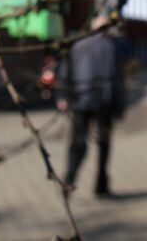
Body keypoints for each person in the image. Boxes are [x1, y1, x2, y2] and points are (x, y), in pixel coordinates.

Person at [57, 15, 126, 197]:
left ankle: (70, 181)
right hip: (103, 101)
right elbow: (118, 79)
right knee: (101, 144)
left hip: (84, 99)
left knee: (79, 144)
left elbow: (66, 73)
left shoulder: (79, 45)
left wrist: (63, 96)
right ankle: (98, 185)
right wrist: (120, 105)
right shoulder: (114, 46)